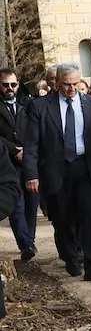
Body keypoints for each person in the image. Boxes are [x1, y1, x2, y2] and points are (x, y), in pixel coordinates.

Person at [22, 63, 91, 281]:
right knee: (63, 219)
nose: (71, 89)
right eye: (66, 84)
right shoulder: (41, 107)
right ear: (57, 83)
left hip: (87, 168)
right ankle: (72, 259)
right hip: (56, 169)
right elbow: (32, 143)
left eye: (75, 84)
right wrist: (31, 174)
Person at [0, 67, 36, 260]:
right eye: (5, 85)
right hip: (7, 162)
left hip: (29, 161)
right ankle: (25, 244)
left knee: (31, 203)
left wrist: (28, 152)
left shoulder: (28, 104)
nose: (10, 88)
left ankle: (30, 239)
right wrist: (14, 150)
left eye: (13, 84)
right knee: (16, 204)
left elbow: (35, 131)